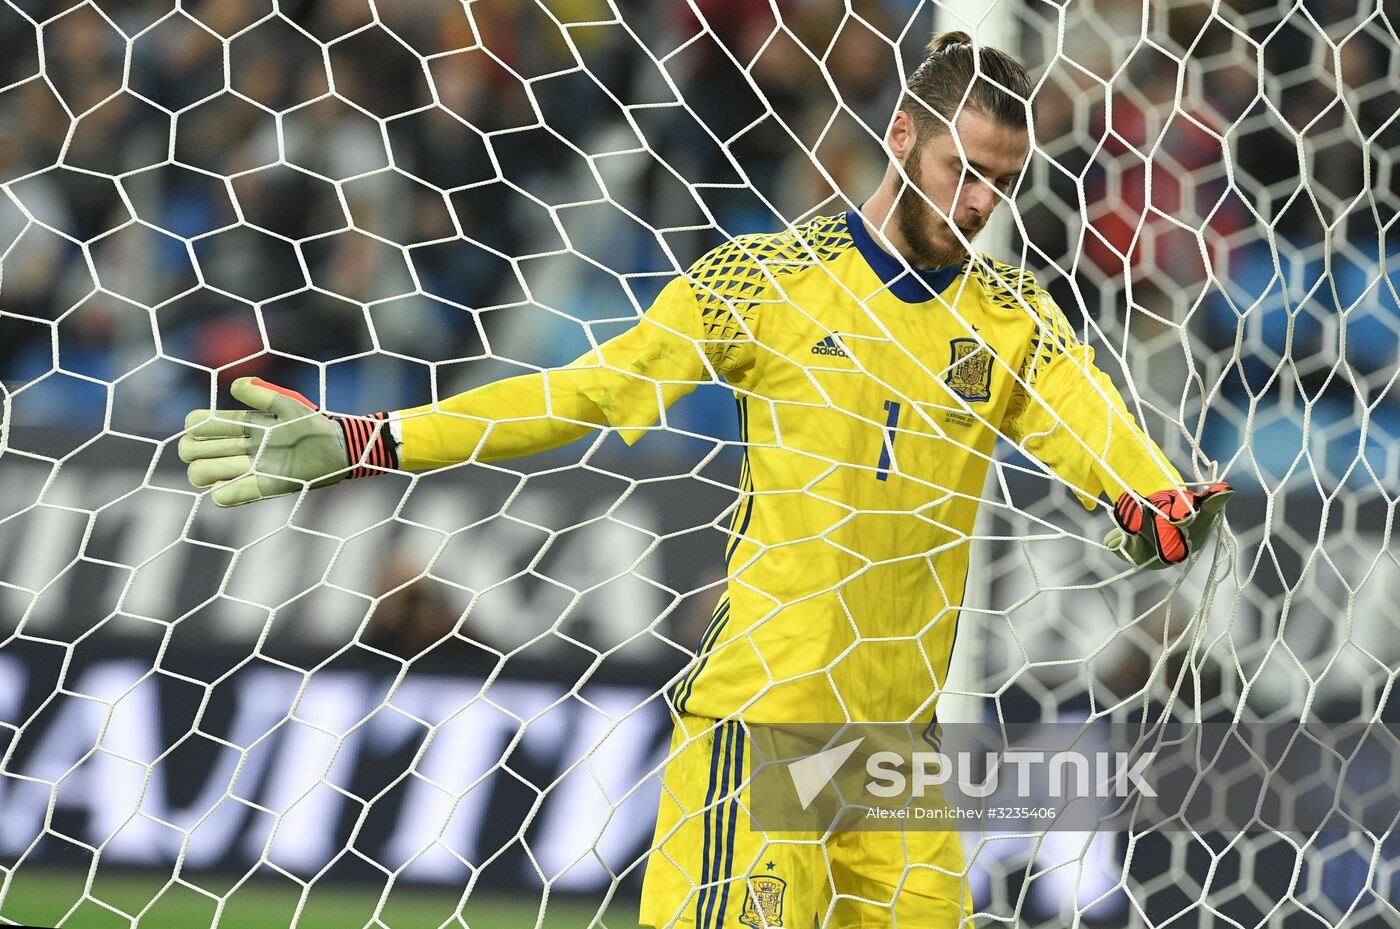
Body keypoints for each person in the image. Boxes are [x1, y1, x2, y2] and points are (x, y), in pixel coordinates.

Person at [179, 31, 1232, 929]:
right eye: (962, 169)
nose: (979, 202)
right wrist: (374, 438)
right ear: (901, 136)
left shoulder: (1011, 316)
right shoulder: (759, 279)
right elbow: (586, 392)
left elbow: (1098, 434)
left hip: (896, 759)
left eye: (1002, 181)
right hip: (760, 728)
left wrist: (1153, 502)